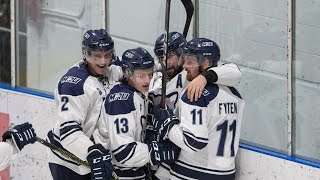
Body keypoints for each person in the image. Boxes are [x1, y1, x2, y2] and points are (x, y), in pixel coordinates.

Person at [151, 38, 245, 180]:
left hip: (192, 172)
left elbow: (194, 141)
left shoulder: (194, 94)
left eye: (190, 62)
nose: (185, 66)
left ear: (206, 63)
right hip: (226, 173)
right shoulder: (235, 95)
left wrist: (168, 125)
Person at [93, 47, 181, 179]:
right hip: (118, 174)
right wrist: (158, 151)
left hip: (134, 172)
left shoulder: (137, 93)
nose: (147, 80)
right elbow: (123, 152)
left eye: (150, 74)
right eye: (141, 75)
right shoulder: (121, 101)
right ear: (127, 73)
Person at [46, 29, 122, 180]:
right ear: (86, 54)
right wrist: (91, 152)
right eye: (97, 56)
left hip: (95, 156)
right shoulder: (74, 84)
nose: (103, 61)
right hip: (68, 161)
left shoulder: (112, 68)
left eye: (107, 55)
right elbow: (67, 131)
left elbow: (137, 69)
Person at [150, 32, 242, 115]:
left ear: (182, 53)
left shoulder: (191, 72)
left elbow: (235, 72)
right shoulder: (154, 78)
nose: (165, 62)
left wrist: (204, 77)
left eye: (169, 56)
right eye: (161, 58)